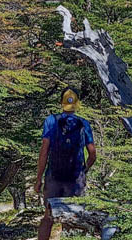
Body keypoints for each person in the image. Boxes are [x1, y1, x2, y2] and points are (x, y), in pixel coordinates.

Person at [34, 87, 96, 240]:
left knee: (48, 217)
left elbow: (44, 151)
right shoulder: (84, 124)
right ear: (77, 103)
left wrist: (38, 179)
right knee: (73, 219)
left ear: (61, 103)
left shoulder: (51, 121)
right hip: (75, 179)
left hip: (53, 176)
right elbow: (93, 154)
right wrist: (83, 170)